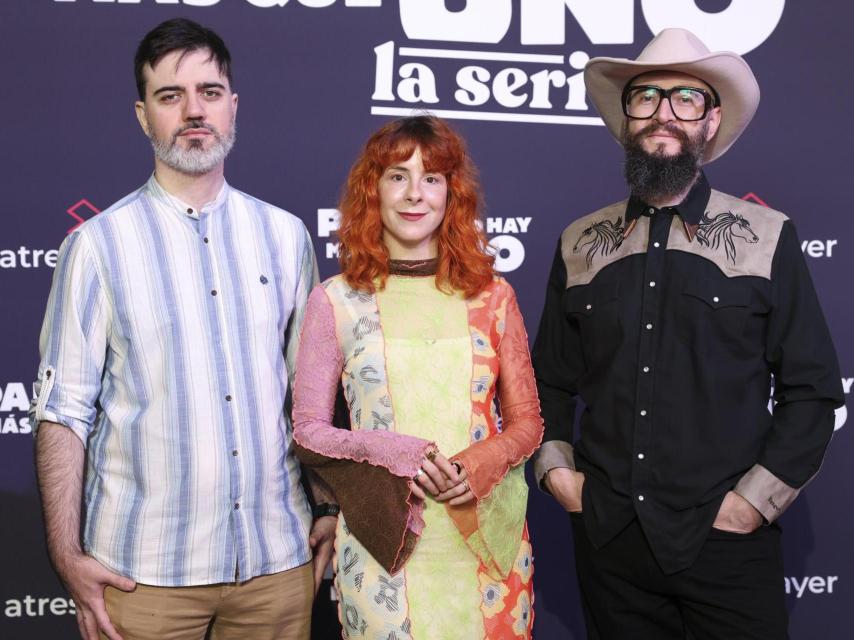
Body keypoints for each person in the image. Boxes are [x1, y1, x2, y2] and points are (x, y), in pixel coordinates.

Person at [532, 28, 843, 639]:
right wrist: (557, 474)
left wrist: (753, 503)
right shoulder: (579, 243)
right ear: (626, 117)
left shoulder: (767, 235)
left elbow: (814, 391)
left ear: (711, 119)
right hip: (610, 544)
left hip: (726, 546)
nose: (664, 113)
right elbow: (548, 379)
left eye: (686, 98)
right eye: (646, 96)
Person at [31, 18, 334, 640]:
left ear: (233, 105)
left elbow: (309, 401)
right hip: (141, 577)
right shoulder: (97, 246)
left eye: (210, 92)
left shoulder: (286, 238)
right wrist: (66, 556)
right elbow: (63, 413)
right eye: (171, 96)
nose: (194, 111)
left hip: (277, 566)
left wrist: (330, 503)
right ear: (144, 116)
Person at [291, 115, 543, 639]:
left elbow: (527, 425)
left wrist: (475, 464)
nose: (414, 194)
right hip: (383, 544)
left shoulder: (493, 297)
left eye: (431, 178)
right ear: (373, 190)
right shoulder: (336, 300)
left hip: (484, 545)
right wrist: (398, 455)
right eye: (397, 176)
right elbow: (309, 430)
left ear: (452, 194)